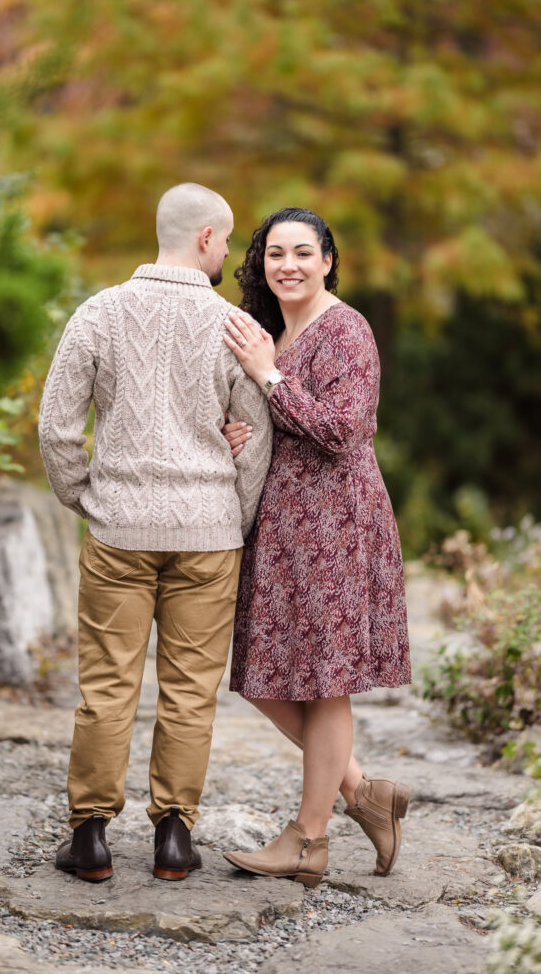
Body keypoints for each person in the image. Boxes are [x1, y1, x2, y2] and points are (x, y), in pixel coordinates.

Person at [38, 183, 272, 883]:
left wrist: (86, 496)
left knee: (107, 686)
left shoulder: (99, 312)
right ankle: (174, 838)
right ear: (204, 238)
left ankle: (89, 838)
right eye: (226, 241)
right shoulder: (233, 325)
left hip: (119, 531)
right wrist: (235, 515)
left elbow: (55, 426)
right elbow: (254, 438)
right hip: (208, 533)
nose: (228, 254)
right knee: (189, 691)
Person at [220, 207, 411, 888]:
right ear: (260, 262)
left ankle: (308, 838)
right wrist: (240, 432)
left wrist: (269, 379)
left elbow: (343, 430)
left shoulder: (346, 328)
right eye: (275, 253)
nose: (288, 265)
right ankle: (362, 793)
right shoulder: (273, 330)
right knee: (260, 674)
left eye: (303, 252)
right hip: (281, 527)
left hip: (335, 526)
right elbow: (275, 419)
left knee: (323, 680)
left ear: (328, 259)